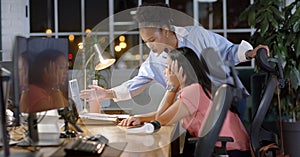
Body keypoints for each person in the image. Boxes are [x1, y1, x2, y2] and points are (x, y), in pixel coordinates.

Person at [80, 2, 269, 118]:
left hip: (229, 102)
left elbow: (228, 51)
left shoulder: (196, 36)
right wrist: (106, 94)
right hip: (197, 112)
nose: (150, 47)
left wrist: (251, 53)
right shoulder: (155, 60)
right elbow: (136, 83)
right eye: (145, 42)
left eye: (152, 40)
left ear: (165, 28)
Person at [118, 47, 250, 157]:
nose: (165, 72)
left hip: (230, 151)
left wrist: (172, 87)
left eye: (169, 68)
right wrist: (139, 118)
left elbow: (161, 118)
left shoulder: (193, 91)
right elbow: (167, 114)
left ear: (181, 70)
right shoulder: (196, 88)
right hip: (230, 148)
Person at [20, 49, 68, 113]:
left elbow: (67, 109)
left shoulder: (50, 91)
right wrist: (55, 87)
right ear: (46, 69)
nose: (65, 72)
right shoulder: (34, 92)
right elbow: (61, 115)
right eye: (61, 68)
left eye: (66, 68)